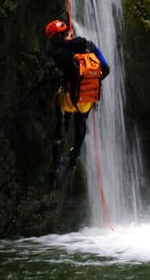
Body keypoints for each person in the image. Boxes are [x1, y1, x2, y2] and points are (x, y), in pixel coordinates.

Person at [44, 19, 110, 183]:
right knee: (81, 122)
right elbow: (106, 69)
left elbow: (65, 75)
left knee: (59, 124)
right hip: (88, 97)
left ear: (57, 38)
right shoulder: (90, 45)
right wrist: (93, 80)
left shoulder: (59, 54)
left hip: (70, 99)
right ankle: (74, 156)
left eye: (52, 39)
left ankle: (55, 168)